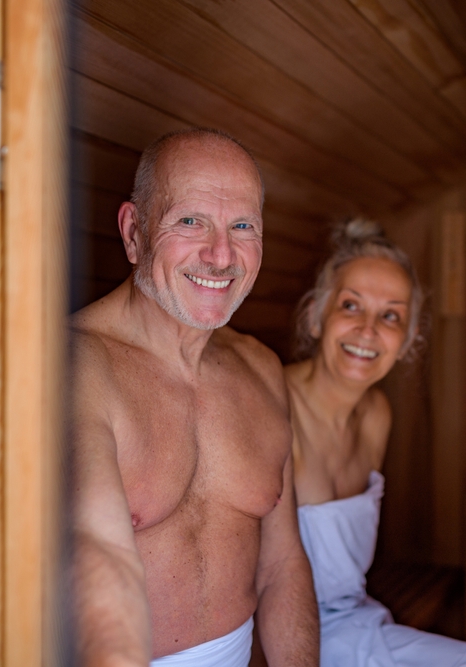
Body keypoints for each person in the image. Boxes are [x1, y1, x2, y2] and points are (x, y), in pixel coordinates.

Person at [70, 128, 319, 667]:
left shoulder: (262, 367)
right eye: (190, 220)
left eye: (243, 226)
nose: (220, 254)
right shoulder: (75, 366)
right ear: (134, 232)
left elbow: (283, 564)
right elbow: (101, 556)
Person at [285, 220, 466, 667]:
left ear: (406, 341)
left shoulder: (377, 417)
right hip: (279, 635)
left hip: (354, 627)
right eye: (351, 305)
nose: (368, 330)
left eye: (390, 316)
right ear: (315, 316)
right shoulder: (274, 408)